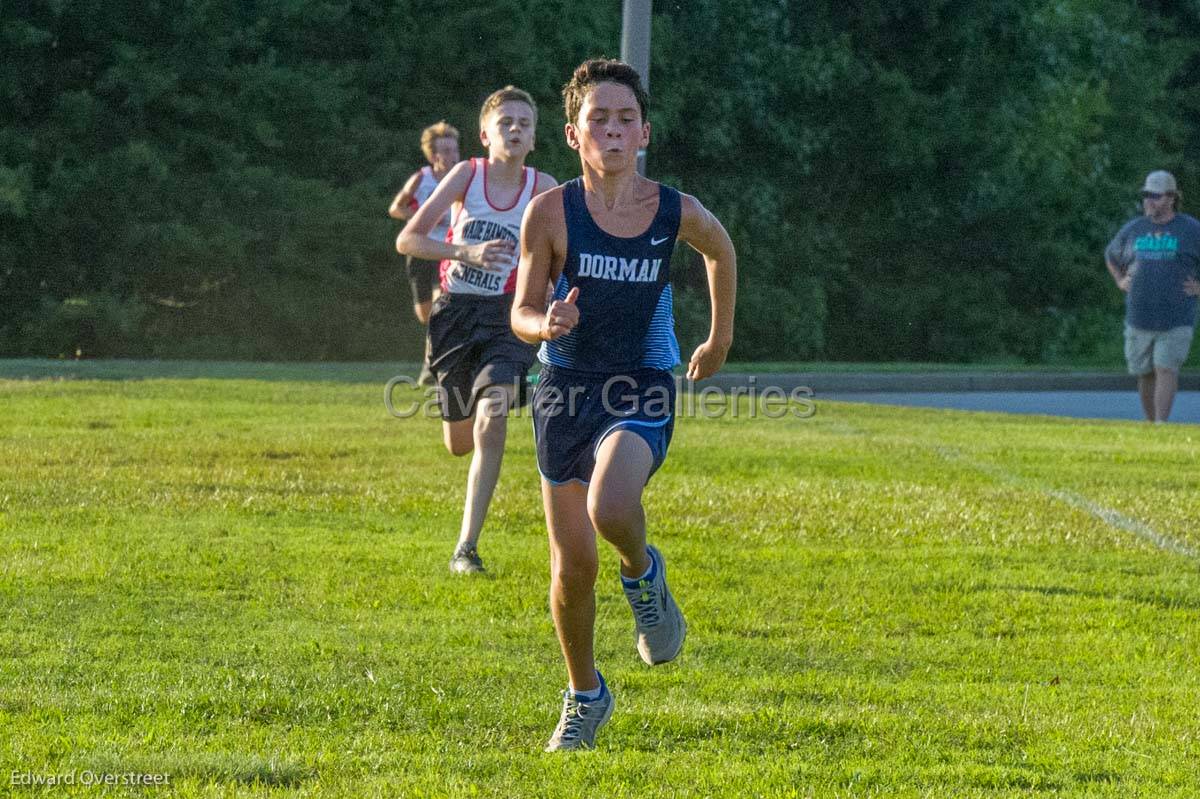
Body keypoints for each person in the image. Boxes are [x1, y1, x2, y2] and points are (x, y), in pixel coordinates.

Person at [512, 58, 736, 751]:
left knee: (611, 506)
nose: (612, 129)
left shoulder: (672, 210)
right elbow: (521, 309)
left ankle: (645, 577)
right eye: (597, 119)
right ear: (575, 136)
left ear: (644, 134)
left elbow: (720, 250)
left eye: (624, 119)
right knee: (572, 566)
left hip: (640, 381)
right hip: (564, 390)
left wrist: (718, 337)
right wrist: (544, 324)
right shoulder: (550, 213)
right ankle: (585, 694)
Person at [397, 87, 557, 573]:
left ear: (533, 137)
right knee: (460, 442)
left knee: (493, 415)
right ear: (485, 133)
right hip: (455, 315)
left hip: (509, 317)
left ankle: (465, 548)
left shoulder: (544, 186)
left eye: (524, 123)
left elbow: (559, 256)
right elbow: (409, 238)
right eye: (505, 121)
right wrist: (465, 252)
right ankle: (457, 423)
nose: (515, 129)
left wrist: (552, 299)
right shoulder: (468, 175)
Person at [1105, 170, 1200, 422]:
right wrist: (1119, 280)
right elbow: (1111, 255)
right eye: (1146, 195)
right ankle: (1150, 426)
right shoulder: (1134, 229)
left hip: (1177, 317)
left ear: (1171, 198)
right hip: (1139, 316)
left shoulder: (1190, 229)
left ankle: (1160, 425)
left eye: (1155, 196)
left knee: (1165, 368)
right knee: (1144, 372)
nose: (1149, 201)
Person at [390, 121, 461, 386]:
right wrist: (423, 218)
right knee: (426, 314)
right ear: (433, 155)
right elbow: (396, 208)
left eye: (455, 150)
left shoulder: (464, 180)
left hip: (447, 251)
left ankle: (433, 367)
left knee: (442, 309)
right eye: (445, 151)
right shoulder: (422, 179)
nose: (452, 156)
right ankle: (434, 362)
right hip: (421, 250)